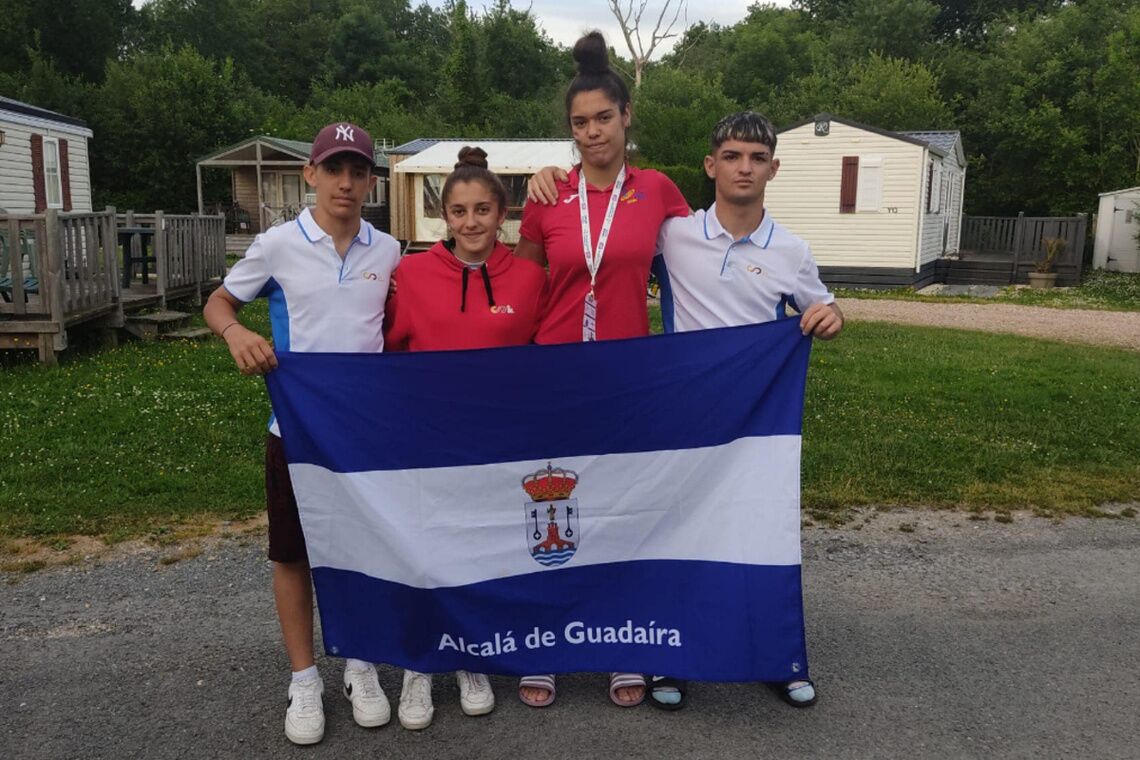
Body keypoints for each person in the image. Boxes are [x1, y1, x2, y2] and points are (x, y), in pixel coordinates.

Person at [527, 111, 842, 710]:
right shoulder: (676, 235)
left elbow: (822, 307)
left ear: (773, 168)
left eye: (756, 158)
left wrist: (831, 318)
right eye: (732, 156)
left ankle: (775, 656)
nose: (744, 167)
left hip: (754, 423)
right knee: (676, 536)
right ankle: (672, 658)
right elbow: (605, 244)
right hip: (680, 420)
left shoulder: (792, 251)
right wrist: (553, 177)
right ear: (711, 166)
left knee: (758, 536)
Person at [203, 122, 402, 745]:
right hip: (295, 428)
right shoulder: (278, 244)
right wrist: (237, 334)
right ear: (310, 174)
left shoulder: (388, 250)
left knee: (362, 552)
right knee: (292, 553)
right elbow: (217, 303)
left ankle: (360, 665)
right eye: (334, 169)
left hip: (363, 434)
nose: (346, 182)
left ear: (372, 180)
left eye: (358, 170)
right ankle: (305, 677)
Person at [512, 30, 691, 709]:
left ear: (626, 117)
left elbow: (704, 265)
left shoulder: (659, 191)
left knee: (619, 509)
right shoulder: (547, 196)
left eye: (603, 119)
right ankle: (549, 643)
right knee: (552, 510)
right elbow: (523, 287)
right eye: (579, 123)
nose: (592, 133)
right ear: (570, 129)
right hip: (554, 373)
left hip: (626, 376)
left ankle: (621, 642)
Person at [382, 146, 547, 727]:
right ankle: (419, 665)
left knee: (479, 551)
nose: (470, 222)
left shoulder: (530, 278)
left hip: (498, 445)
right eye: (458, 211)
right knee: (424, 551)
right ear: (443, 216)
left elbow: (546, 362)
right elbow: (390, 352)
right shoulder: (412, 273)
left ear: (503, 214)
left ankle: (470, 655)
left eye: (482, 210)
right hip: (428, 440)